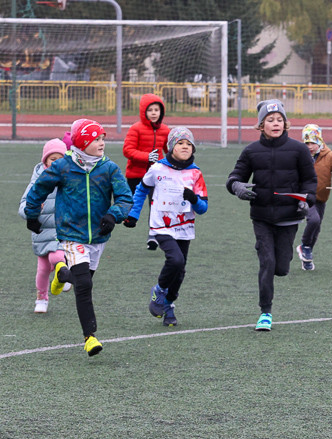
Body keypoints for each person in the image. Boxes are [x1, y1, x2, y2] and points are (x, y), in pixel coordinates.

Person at [23, 119, 132, 356]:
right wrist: (32, 214)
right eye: (96, 139)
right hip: (71, 235)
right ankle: (90, 337)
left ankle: (62, 274)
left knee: (81, 278)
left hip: (99, 237)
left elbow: (125, 198)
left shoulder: (109, 168)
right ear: (82, 142)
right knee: (84, 285)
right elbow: (39, 188)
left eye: (103, 138)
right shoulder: (63, 166)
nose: (102, 143)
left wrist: (114, 215)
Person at [226, 99, 317, 331]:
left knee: (281, 268)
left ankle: (284, 260)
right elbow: (234, 177)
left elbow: (310, 181)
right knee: (267, 262)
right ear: (261, 125)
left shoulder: (299, 150)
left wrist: (307, 200)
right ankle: (265, 312)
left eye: (279, 120)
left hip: (289, 217)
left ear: (285, 124)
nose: (275, 123)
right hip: (262, 217)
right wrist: (237, 188)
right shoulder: (251, 151)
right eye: (270, 120)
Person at [128, 127, 209, 327]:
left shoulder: (195, 173)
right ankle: (159, 290)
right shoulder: (157, 169)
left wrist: (194, 199)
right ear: (171, 146)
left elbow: (203, 208)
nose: (185, 147)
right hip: (161, 226)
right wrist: (132, 214)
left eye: (189, 144)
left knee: (180, 270)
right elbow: (141, 190)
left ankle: (168, 305)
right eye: (180, 143)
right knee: (175, 260)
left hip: (184, 228)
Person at [18, 139, 69, 314]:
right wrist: (31, 212)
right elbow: (24, 204)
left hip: (62, 230)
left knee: (58, 256)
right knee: (42, 270)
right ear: (45, 161)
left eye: (60, 158)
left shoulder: (70, 179)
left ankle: (63, 274)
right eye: (52, 159)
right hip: (41, 231)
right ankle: (41, 298)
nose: (56, 162)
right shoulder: (38, 181)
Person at [298, 124, 332, 272]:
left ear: (320, 141)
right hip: (304, 197)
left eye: (313, 143)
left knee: (316, 228)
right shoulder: (299, 155)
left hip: (321, 198)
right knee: (313, 220)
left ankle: (306, 256)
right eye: (306, 143)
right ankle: (304, 246)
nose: (309, 146)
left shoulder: (329, 156)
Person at [122, 93, 170, 250]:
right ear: (144, 112)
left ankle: (153, 235)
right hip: (136, 174)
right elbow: (127, 150)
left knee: (156, 205)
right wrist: (146, 156)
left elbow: (169, 150)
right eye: (150, 110)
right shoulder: (135, 129)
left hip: (157, 176)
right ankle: (128, 219)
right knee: (133, 203)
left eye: (157, 110)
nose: (154, 113)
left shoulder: (165, 130)